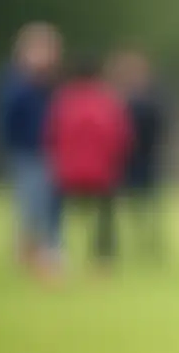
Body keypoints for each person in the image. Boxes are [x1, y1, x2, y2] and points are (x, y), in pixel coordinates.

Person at [45, 57, 133, 269]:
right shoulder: (107, 101)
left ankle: (55, 253)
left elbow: (50, 135)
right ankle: (102, 259)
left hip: (67, 170)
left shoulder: (64, 100)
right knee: (104, 215)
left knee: (57, 211)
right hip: (101, 170)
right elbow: (122, 136)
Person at [0, 22, 63, 276]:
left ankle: (41, 253)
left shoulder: (51, 83)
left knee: (48, 203)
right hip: (27, 151)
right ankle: (35, 255)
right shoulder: (16, 82)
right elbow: (6, 117)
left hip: (51, 150)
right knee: (32, 203)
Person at [108, 49, 169, 260]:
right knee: (118, 205)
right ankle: (118, 246)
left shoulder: (152, 97)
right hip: (121, 159)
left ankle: (150, 246)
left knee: (148, 204)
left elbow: (161, 124)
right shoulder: (115, 97)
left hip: (146, 157)